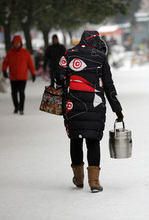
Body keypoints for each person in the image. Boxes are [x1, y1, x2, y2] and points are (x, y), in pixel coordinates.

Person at [55, 30, 123, 193]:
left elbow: (58, 77)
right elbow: (108, 85)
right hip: (95, 105)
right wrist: (117, 109)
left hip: (73, 105)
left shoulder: (69, 54)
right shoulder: (100, 57)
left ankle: (78, 179)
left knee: (76, 139)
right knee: (93, 141)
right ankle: (94, 182)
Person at [2, 35, 36, 115]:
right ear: (13, 44)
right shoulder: (10, 53)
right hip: (13, 77)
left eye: (18, 43)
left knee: (21, 92)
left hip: (22, 77)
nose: (17, 44)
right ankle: (16, 107)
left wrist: (33, 73)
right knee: (14, 93)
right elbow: (5, 63)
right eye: (15, 43)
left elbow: (30, 64)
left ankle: (21, 108)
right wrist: (4, 71)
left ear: (21, 43)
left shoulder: (26, 52)